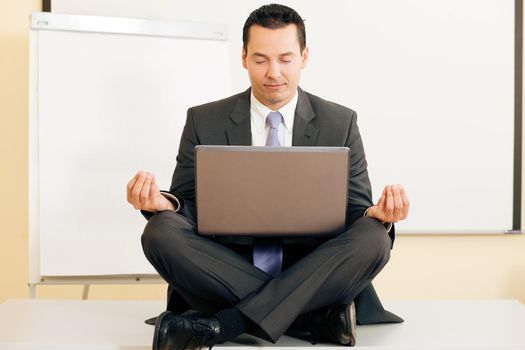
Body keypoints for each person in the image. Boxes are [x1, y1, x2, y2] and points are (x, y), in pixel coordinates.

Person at [127, 4, 409, 349]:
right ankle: (310, 317)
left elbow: (353, 211)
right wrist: (164, 203)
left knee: (374, 236)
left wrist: (376, 215)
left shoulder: (340, 122)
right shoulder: (204, 120)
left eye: (285, 59)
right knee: (160, 230)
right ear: (244, 58)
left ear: (304, 57)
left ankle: (224, 324)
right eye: (261, 60)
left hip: (312, 265)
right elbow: (189, 206)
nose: (273, 72)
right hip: (228, 267)